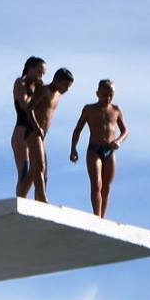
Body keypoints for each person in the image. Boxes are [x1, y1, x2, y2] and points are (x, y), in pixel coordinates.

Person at [69, 79, 129, 218]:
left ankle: (102, 217)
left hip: (109, 150)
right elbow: (78, 130)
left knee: (106, 186)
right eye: (104, 95)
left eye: (110, 95)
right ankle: (96, 215)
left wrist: (118, 141)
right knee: (97, 183)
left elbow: (125, 131)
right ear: (98, 93)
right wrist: (73, 149)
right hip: (94, 150)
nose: (107, 98)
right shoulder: (89, 109)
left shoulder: (116, 110)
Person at [26, 67, 76, 201]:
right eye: (65, 85)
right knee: (40, 166)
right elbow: (29, 108)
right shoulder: (45, 90)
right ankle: (42, 197)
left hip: (43, 134)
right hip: (33, 130)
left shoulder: (57, 94)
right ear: (57, 80)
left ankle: (28, 196)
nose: (66, 89)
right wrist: (36, 127)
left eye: (69, 87)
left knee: (42, 172)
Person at [10, 57, 46, 198]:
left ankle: (37, 197)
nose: (40, 76)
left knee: (38, 167)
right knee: (24, 171)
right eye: (39, 72)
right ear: (30, 68)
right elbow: (25, 105)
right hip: (21, 130)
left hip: (34, 131)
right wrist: (38, 94)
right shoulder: (21, 82)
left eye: (42, 74)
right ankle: (20, 198)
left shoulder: (38, 88)